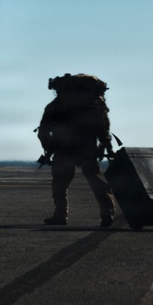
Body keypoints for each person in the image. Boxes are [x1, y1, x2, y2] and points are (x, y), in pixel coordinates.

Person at [37, 73, 117, 227]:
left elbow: (44, 129)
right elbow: (103, 129)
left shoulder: (58, 104)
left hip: (64, 148)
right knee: (95, 180)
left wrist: (48, 147)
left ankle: (60, 215)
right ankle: (107, 212)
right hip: (88, 147)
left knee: (60, 183)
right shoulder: (96, 103)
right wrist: (107, 147)